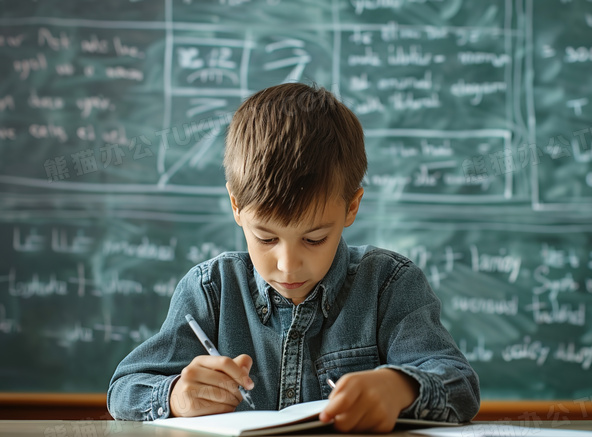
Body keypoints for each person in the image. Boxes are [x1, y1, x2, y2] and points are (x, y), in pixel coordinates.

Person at [106, 83, 480, 432]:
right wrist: (175, 395)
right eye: (266, 237)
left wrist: (400, 386)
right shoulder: (211, 290)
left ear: (351, 208)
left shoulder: (388, 284)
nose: (287, 264)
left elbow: (459, 385)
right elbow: (124, 389)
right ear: (236, 207)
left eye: (314, 239)